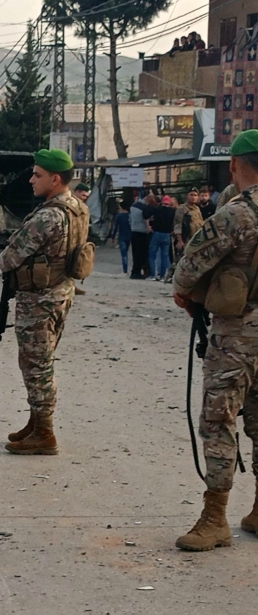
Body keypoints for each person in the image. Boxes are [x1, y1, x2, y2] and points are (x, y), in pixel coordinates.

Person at [172, 129, 258, 551]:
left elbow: (189, 268)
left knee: (219, 420)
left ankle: (215, 517)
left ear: (235, 165)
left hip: (237, 336)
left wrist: (187, 296)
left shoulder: (235, 215)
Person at [0, 149, 89, 456]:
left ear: (55, 178)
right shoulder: (78, 208)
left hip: (39, 300)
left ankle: (45, 432)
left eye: (37, 175)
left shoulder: (48, 215)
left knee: (37, 366)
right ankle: (36, 422)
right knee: (41, 361)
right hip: (62, 293)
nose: (31, 180)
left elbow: (8, 258)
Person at [146, 195, 176, 281]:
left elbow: (146, 214)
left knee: (152, 254)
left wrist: (149, 226)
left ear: (162, 202)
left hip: (156, 233)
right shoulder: (173, 211)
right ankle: (162, 276)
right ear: (169, 202)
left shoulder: (156, 209)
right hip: (167, 235)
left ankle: (153, 275)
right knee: (164, 256)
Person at [129, 194, 154, 279]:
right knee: (141, 254)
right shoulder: (144, 208)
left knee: (135, 253)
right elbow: (146, 218)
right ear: (149, 202)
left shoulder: (133, 205)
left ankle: (134, 272)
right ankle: (137, 273)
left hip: (133, 231)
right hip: (142, 232)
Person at [107, 203, 132, 274]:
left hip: (122, 237)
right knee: (127, 252)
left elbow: (115, 227)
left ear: (121, 207)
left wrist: (113, 237)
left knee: (124, 255)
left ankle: (125, 270)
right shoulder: (130, 215)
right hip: (129, 236)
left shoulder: (118, 216)